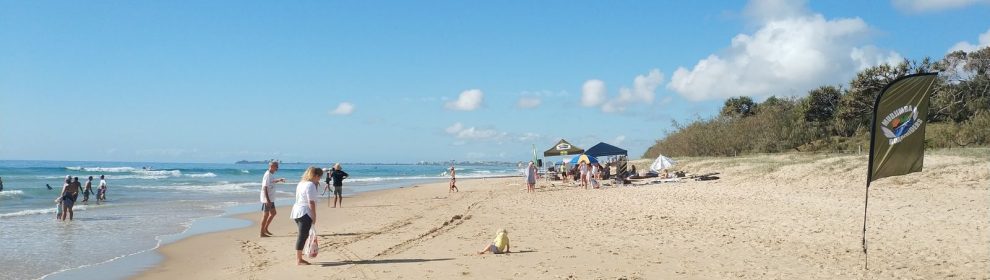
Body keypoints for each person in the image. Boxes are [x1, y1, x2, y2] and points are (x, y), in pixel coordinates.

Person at [290, 166, 322, 265]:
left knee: (303, 235)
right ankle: (299, 259)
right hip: (305, 212)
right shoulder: (310, 185)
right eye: (319, 177)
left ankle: (300, 256)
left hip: (296, 211)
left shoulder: (301, 183)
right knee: (302, 236)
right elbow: (311, 202)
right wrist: (314, 215)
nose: (320, 179)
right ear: (315, 175)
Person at [260, 161, 287, 237]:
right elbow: (265, 187)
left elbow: (272, 182)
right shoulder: (267, 174)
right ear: (271, 166)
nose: (277, 168)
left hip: (271, 198)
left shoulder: (271, 174)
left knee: (273, 213)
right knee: (265, 215)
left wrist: (279, 180)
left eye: (277, 166)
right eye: (276, 166)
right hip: (267, 199)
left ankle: (265, 229)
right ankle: (261, 232)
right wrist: (267, 200)